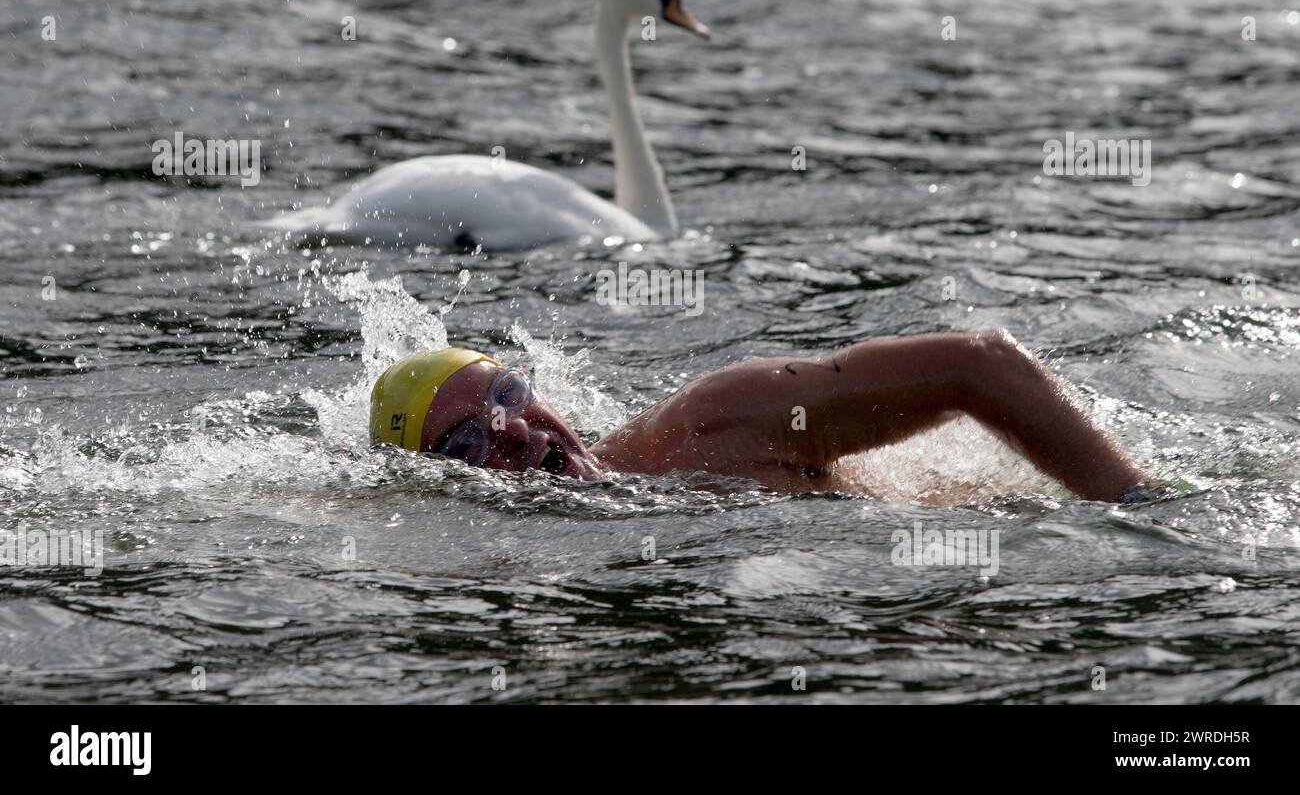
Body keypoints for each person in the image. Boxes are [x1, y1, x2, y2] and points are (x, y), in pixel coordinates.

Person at [368, 332, 1156, 502]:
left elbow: (973, 365)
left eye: (504, 396)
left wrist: (1142, 505)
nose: (507, 430)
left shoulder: (706, 427)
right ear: (435, 481)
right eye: (466, 440)